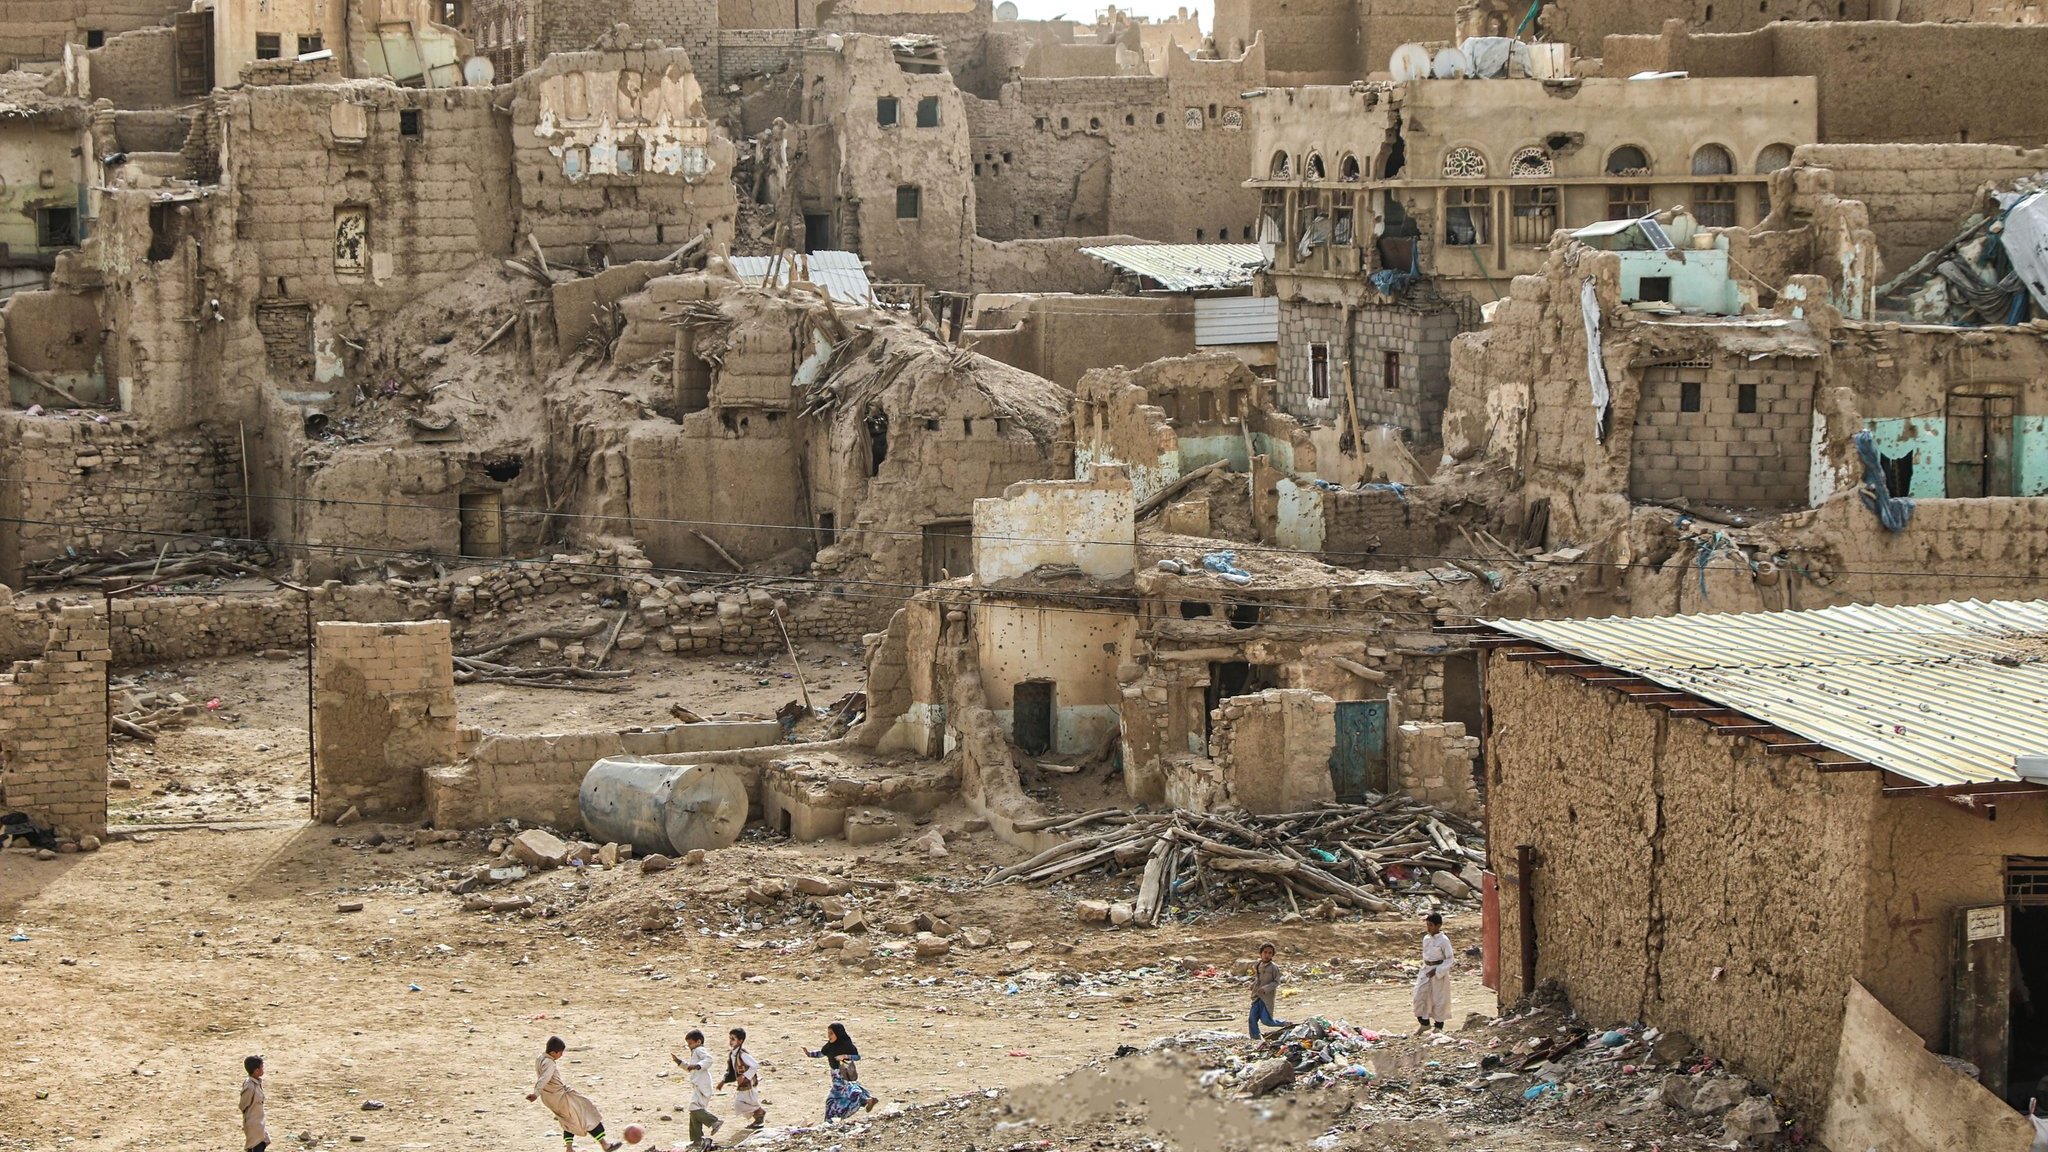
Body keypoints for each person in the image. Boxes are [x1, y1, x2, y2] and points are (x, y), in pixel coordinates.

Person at [527, 1037, 622, 1152]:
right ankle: (605, 1145)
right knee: (586, 1113)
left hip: (549, 1098)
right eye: (560, 1053)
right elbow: (544, 1078)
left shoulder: (540, 1058)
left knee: (568, 1120)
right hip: (559, 1097)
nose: (561, 1055)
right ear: (553, 1053)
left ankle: (569, 1149)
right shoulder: (550, 1063)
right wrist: (535, 1093)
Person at [802, 1023, 877, 1121]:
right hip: (835, 1075)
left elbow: (857, 1057)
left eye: (831, 1033)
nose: (829, 1036)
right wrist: (809, 1054)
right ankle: (831, 1121)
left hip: (843, 1073)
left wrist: (845, 1056)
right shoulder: (829, 1046)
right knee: (836, 1097)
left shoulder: (846, 1045)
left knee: (845, 1093)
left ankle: (831, 1121)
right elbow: (822, 1053)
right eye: (828, 1033)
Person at [672, 1030, 723, 1150]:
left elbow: (709, 1060)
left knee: (694, 1108)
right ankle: (697, 1140)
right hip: (699, 1085)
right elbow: (690, 1068)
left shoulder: (700, 1050)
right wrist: (679, 1062)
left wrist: (697, 1065)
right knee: (694, 1112)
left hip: (702, 1084)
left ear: (698, 1041)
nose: (689, 1046)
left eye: (690, 1043)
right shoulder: (695, 1052)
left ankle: (714, 1121)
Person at [1413, 912, 1454, 1035]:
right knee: (1419, 997)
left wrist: (1437, 971)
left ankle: (1438, 1027)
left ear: (1438, 925)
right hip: (1426, 971)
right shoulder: (1426, 939)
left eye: (1431, 925)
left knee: (1439, 1000)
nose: (1428, 927)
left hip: (1438, 974)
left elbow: (1450, 959)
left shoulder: (1444, 940)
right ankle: (1424, 1024)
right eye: (1427, 924)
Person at [718, 1028, 766, 1130]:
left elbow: (755, 1065)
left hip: (748, 1083)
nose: (730, 1041)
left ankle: (759, 1113)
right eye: (730, 1039)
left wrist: (745, 1076)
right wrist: (723, 1081)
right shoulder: (733, 1054)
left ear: (740, 1041)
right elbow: (731, 1071)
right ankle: (758, 1117)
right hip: (742, 1084)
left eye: (733, 1039)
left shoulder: (742, 1054)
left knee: (745, 1102)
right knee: (740, 1104)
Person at [1248, 943, 1292, 1039]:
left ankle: (1284, 1023)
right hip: (1257, 996)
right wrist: (1253, 985)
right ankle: (1255, 1037)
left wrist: (1265, 989)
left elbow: (1276, 982)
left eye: (1269, 953)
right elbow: (1259, 978)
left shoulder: (1273, 967)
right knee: (1252, 1019)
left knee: (1266, 1021)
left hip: (1266, 998)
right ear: (1260, 953)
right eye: (1265, 952)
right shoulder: (1258, 965)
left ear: (1272, 955)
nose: (1267, 955)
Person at [239, 1055, 268, 1152]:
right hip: (253, 1123)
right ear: (256, 1071)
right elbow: (243, 1105)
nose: (263, 1069)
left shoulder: (256, 1083)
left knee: (262, 1143)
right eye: (261, 1067)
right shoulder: (250, 1086)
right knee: (256, 1147)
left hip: (259, 1122)